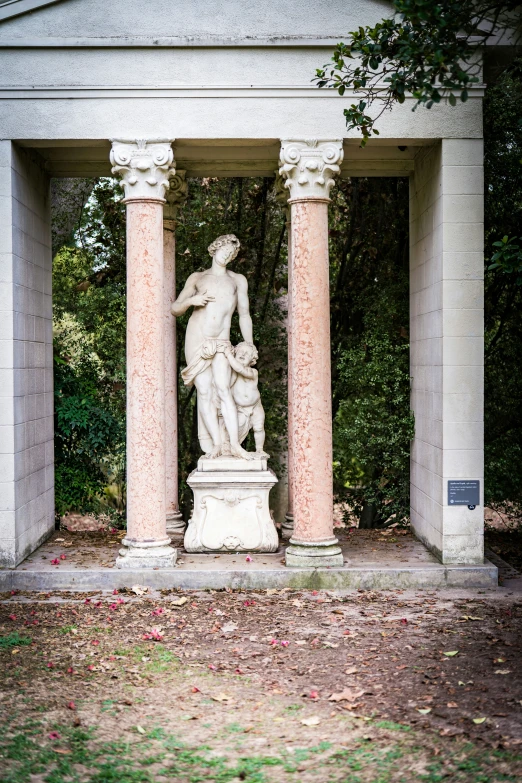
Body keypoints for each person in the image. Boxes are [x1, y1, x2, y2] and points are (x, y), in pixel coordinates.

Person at [171, 234, 255, 459]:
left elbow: (244, 315)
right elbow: (175, 307)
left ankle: (236, 446)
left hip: (222, 341)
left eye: (231, 254)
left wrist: (249, 343)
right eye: (224, 250)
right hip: (197, 339)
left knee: (224, 389)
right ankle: (216, 445)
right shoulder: (197, 278)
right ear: (215, 247)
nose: (227, 255)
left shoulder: (237, 280)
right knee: (205, 391)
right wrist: (191, 301)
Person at [220, 342, 269, 458]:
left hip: (256, 405)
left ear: (252, 360)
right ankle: (231, 447)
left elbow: (240, 369)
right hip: (241, 408)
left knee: (259, 427)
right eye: (240, 352)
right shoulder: (231, 374)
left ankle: (259, 449)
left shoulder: (252, 372)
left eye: (247, 354)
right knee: (236, 428)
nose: (243, 354)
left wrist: (228, 354)